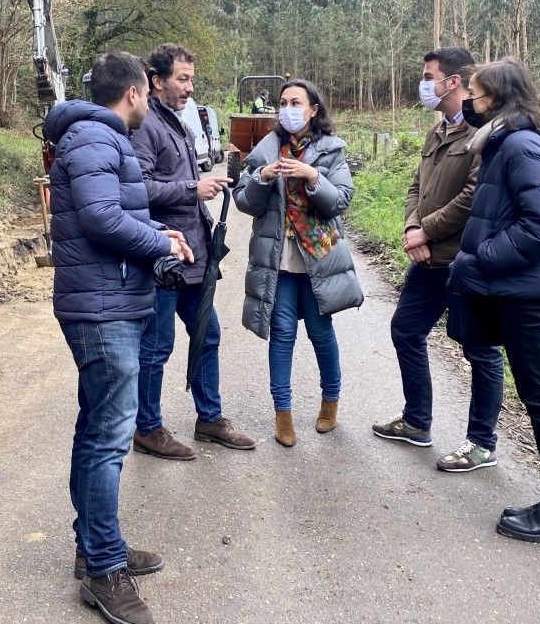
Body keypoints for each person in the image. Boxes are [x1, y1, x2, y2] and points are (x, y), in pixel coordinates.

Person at [44, 51, 194, 624]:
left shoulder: (90, 138)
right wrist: (160, 246)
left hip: (107, 300)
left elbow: (105, 215)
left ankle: (95, 544)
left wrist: (156, 230)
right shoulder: (96, 139)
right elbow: (103, 220)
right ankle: (104, 570)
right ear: (134, 93)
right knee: (109, 438)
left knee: (95, 427)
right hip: (102, 309)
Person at [446, 58, 540, 544]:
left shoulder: (522, 145)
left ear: (499, 101)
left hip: (527, 293)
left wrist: (486, 255)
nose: (470, 104)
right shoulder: (500, 144)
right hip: (515, 288)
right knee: (537, 396)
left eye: (477, 96)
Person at [372, 48, 507, 473]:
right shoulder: (438, 132)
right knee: (406, 331)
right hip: (427, 260)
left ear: (453, 82)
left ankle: (482, 443)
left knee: (480, 350)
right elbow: (417, 185)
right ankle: (417, 422)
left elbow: (474, 195)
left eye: (429, 75)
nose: (424, 82)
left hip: (464, 261)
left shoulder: (481, 132)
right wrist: (414, 229)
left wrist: (425, 230)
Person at [131, 43, 256, 459]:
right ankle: (147, 428)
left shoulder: (177, 122)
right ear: (157, 80)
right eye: (182, 79)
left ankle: (209, 419)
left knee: (207, 335)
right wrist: (192, 189)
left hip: (194, 257)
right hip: (166, 256)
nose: (189, 87)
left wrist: (208, 185)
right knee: (157, 345)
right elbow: (138, 188)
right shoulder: (146, 124)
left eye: (191, 80)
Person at [232, 79, 364, 447]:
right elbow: (244, 200)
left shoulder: (331, 150)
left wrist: (313, 176)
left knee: (322, 335)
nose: (288, 108)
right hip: (279, 262)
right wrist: (261, 177)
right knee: (282, 337)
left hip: (318, 260)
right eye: (283, 102)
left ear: (313, 110)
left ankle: (330, 403)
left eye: (296, 102)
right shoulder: (265, 149)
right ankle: (283, 415)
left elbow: (339, 201)